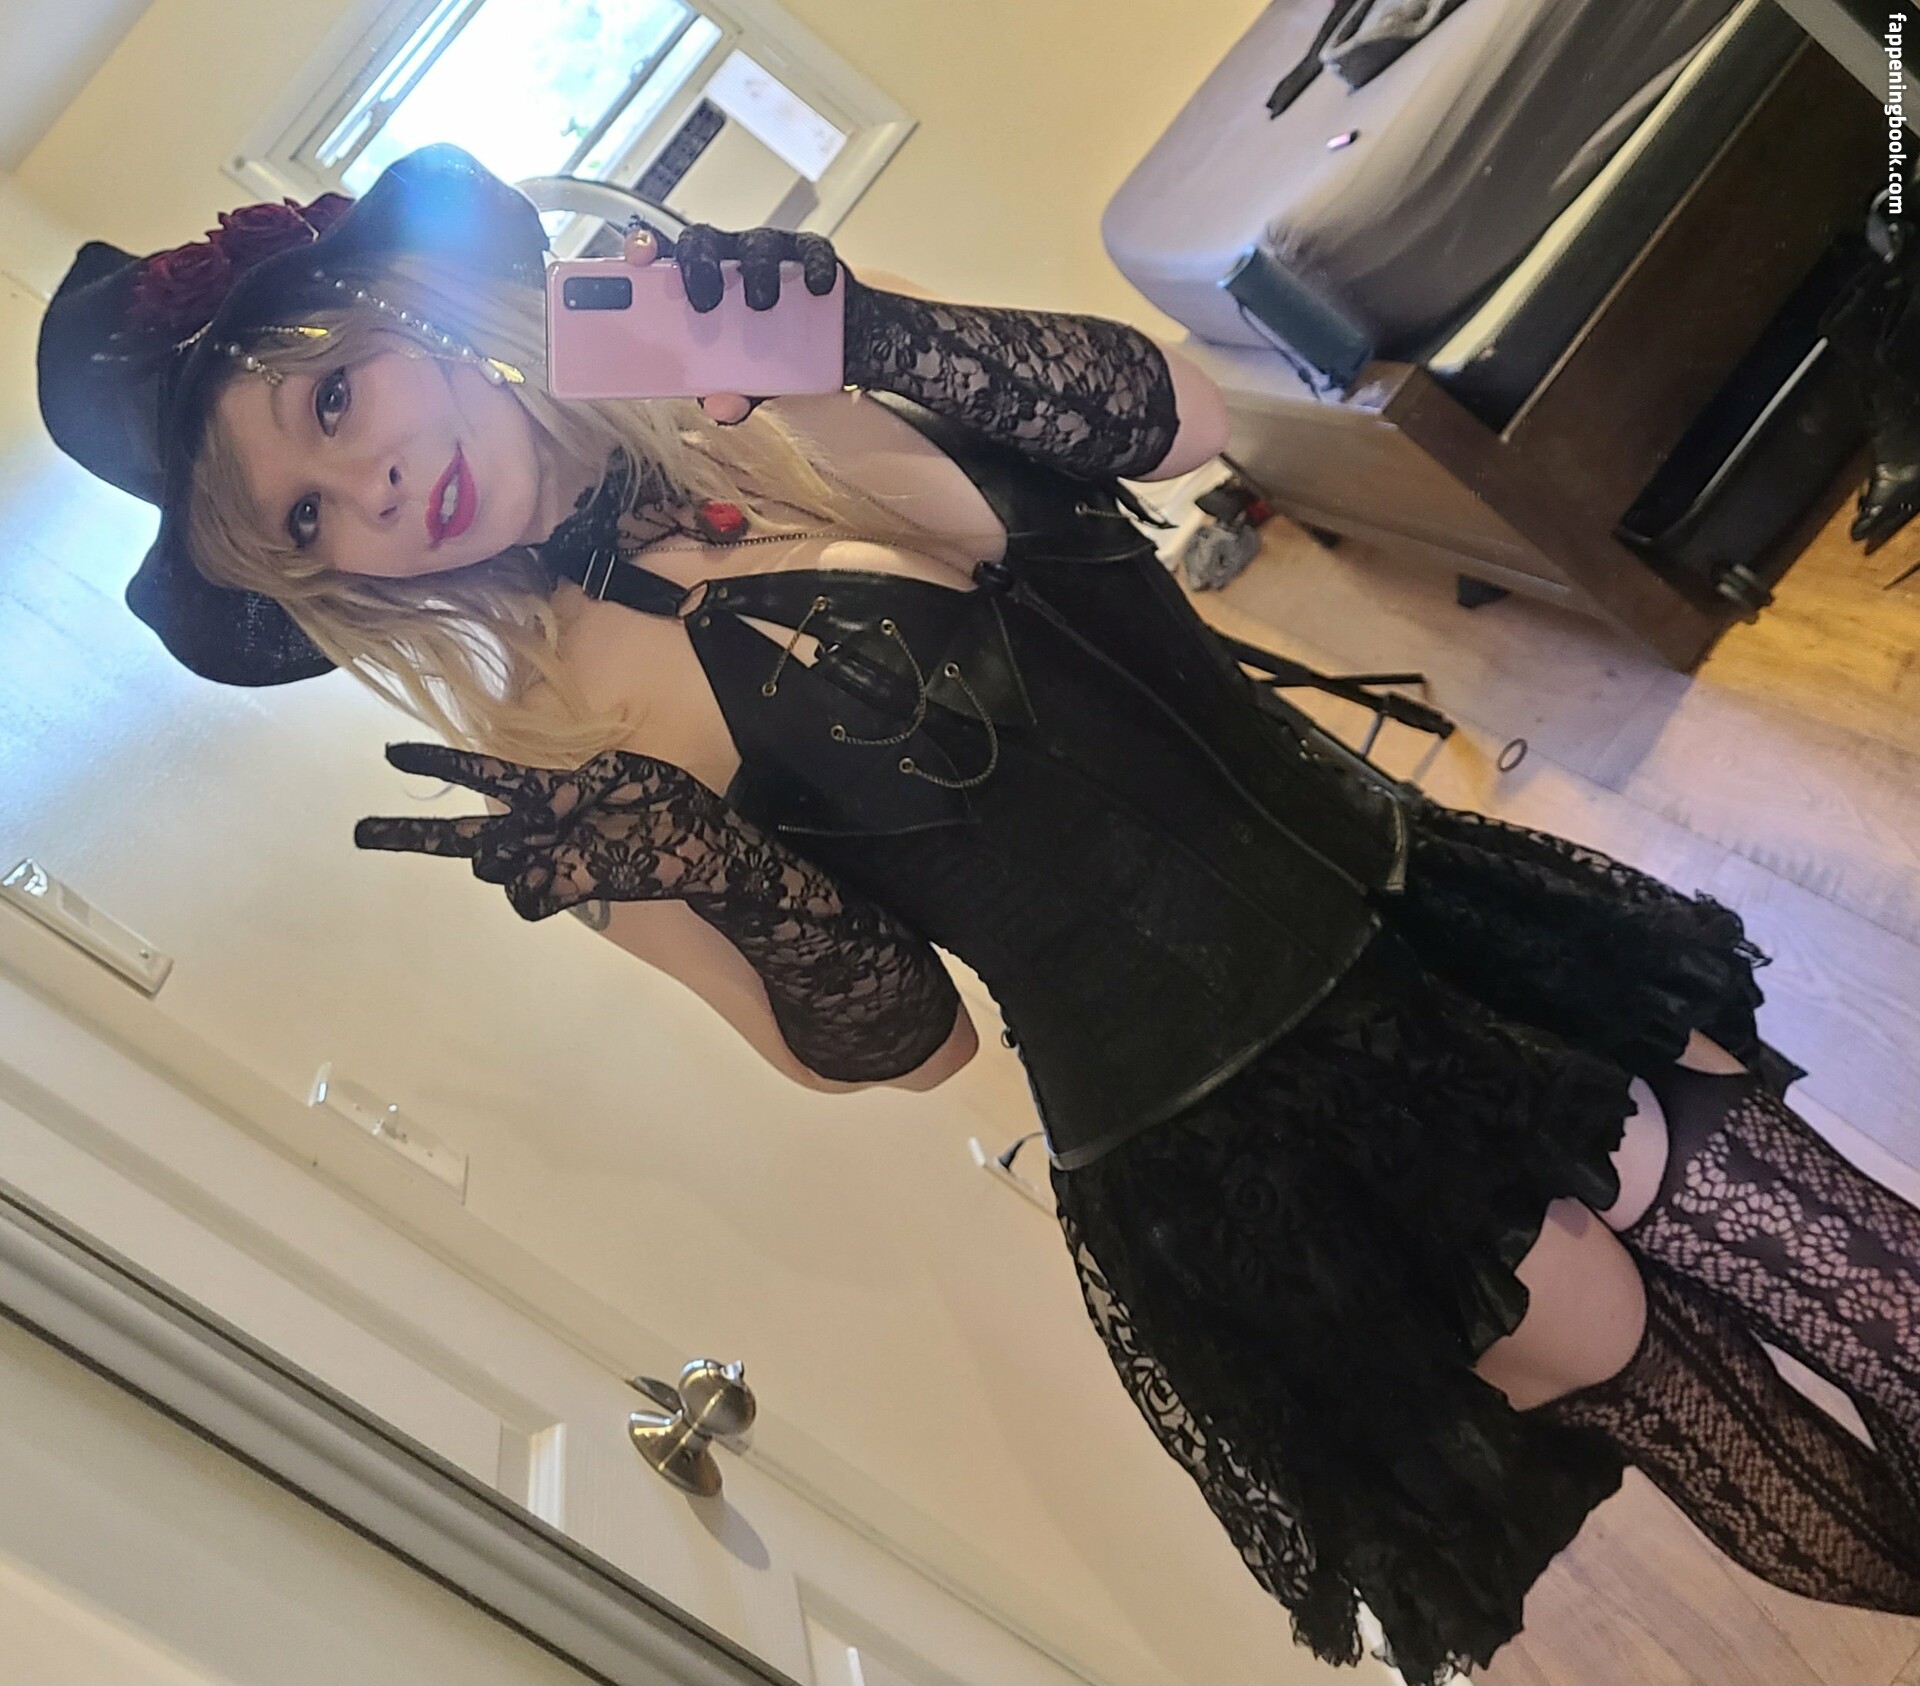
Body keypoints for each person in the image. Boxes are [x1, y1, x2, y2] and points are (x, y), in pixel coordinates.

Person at [36, 144, 1920, 1683]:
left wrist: (846, 326)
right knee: (1709, 1416)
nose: (366, 488)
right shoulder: (557, 756)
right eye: (307, 522)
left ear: (404, 311)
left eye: (333, 400)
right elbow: (906, 1040)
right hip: (1245, 1125)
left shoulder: (727, 356)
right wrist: (711, 868)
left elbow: (1172, 417)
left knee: (1873, 1285)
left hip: (1422, 901)